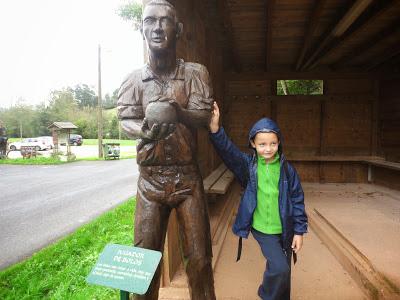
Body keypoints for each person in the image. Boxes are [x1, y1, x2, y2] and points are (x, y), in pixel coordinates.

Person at [117, 0, 216, 299]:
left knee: (199, 260)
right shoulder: (134, 79)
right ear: (141, 29)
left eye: (165, 21)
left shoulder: (196, 73)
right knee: (143, 265)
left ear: (179, 30)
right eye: (149, 21)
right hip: (150, 182)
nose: (157, 28)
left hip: (187, 180)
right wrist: (144, 129)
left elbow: (202, 115)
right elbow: (125, 118)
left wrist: (178, 112)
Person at [209, 102, 308, 300]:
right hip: (263, 229)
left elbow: (297, 200)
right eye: (262, 144)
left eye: (273, 143)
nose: (268, 148)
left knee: (284, 272)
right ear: (253, 144)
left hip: (286, 228)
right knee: (279, 268)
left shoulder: (288, 170)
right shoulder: (248, 166)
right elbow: (229, 152)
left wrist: (299, 231)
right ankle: (266, 295)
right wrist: (215, 129)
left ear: (279, 142)